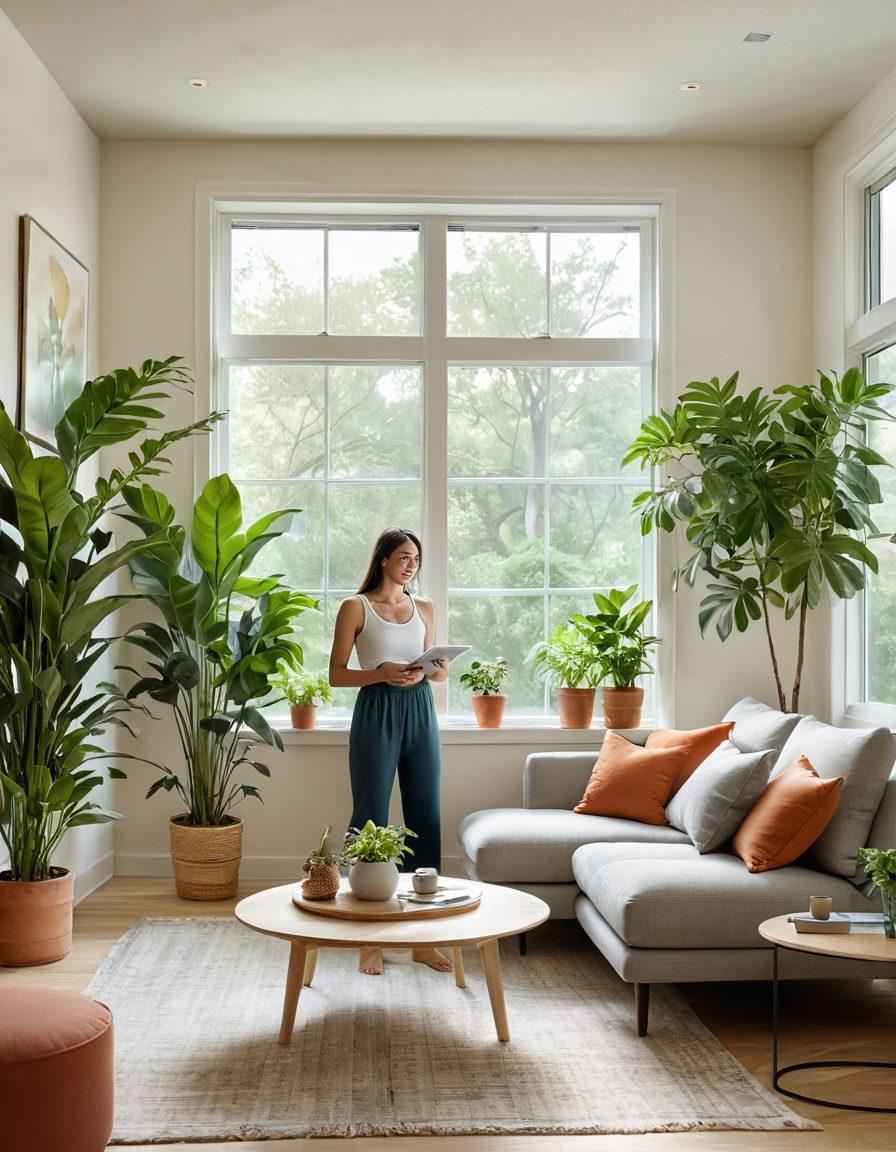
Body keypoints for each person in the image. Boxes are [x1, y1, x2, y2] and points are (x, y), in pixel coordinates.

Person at [328, 527, 450, 976]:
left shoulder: (426, 607)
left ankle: (422, 938)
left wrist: (435, 669)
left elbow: (438, 676)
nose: (411, 564)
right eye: (403, 556)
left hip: (419, 710)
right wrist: (381, 673)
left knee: (426, 816)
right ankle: (368, 939)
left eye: (416, 557)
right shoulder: (354, 607)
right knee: (369, 816)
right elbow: (337, 675)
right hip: (376, 710)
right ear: (383, 559)